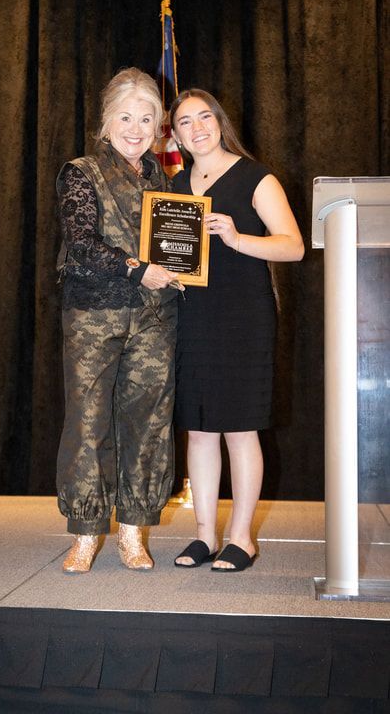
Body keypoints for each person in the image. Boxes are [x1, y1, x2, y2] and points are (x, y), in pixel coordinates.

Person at [169, 89, 304, 572]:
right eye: (185, 122)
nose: (197, 127)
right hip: (192, 317)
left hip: (243, 318)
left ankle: (241, 538)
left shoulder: (256, 177)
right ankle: (204, 535)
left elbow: (294, 247)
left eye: (204, 117)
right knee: (199, 432)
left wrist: (237, 238)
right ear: (176, 134)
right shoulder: (177, 185)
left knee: (241, 430)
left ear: (220, 122)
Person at [56, 67, 181, 573]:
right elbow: (81, 246)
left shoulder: (167, 181)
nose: (136, 127)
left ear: (159, 129)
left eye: (146, 118)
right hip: (93, 318)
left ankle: (133, 530)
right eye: (126, 117)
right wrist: (138, 269)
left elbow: (178, 252)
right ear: (107, 123)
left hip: (155, 319)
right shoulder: (80, 171)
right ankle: (86, 532)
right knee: (88, 423)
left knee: (149, 422)